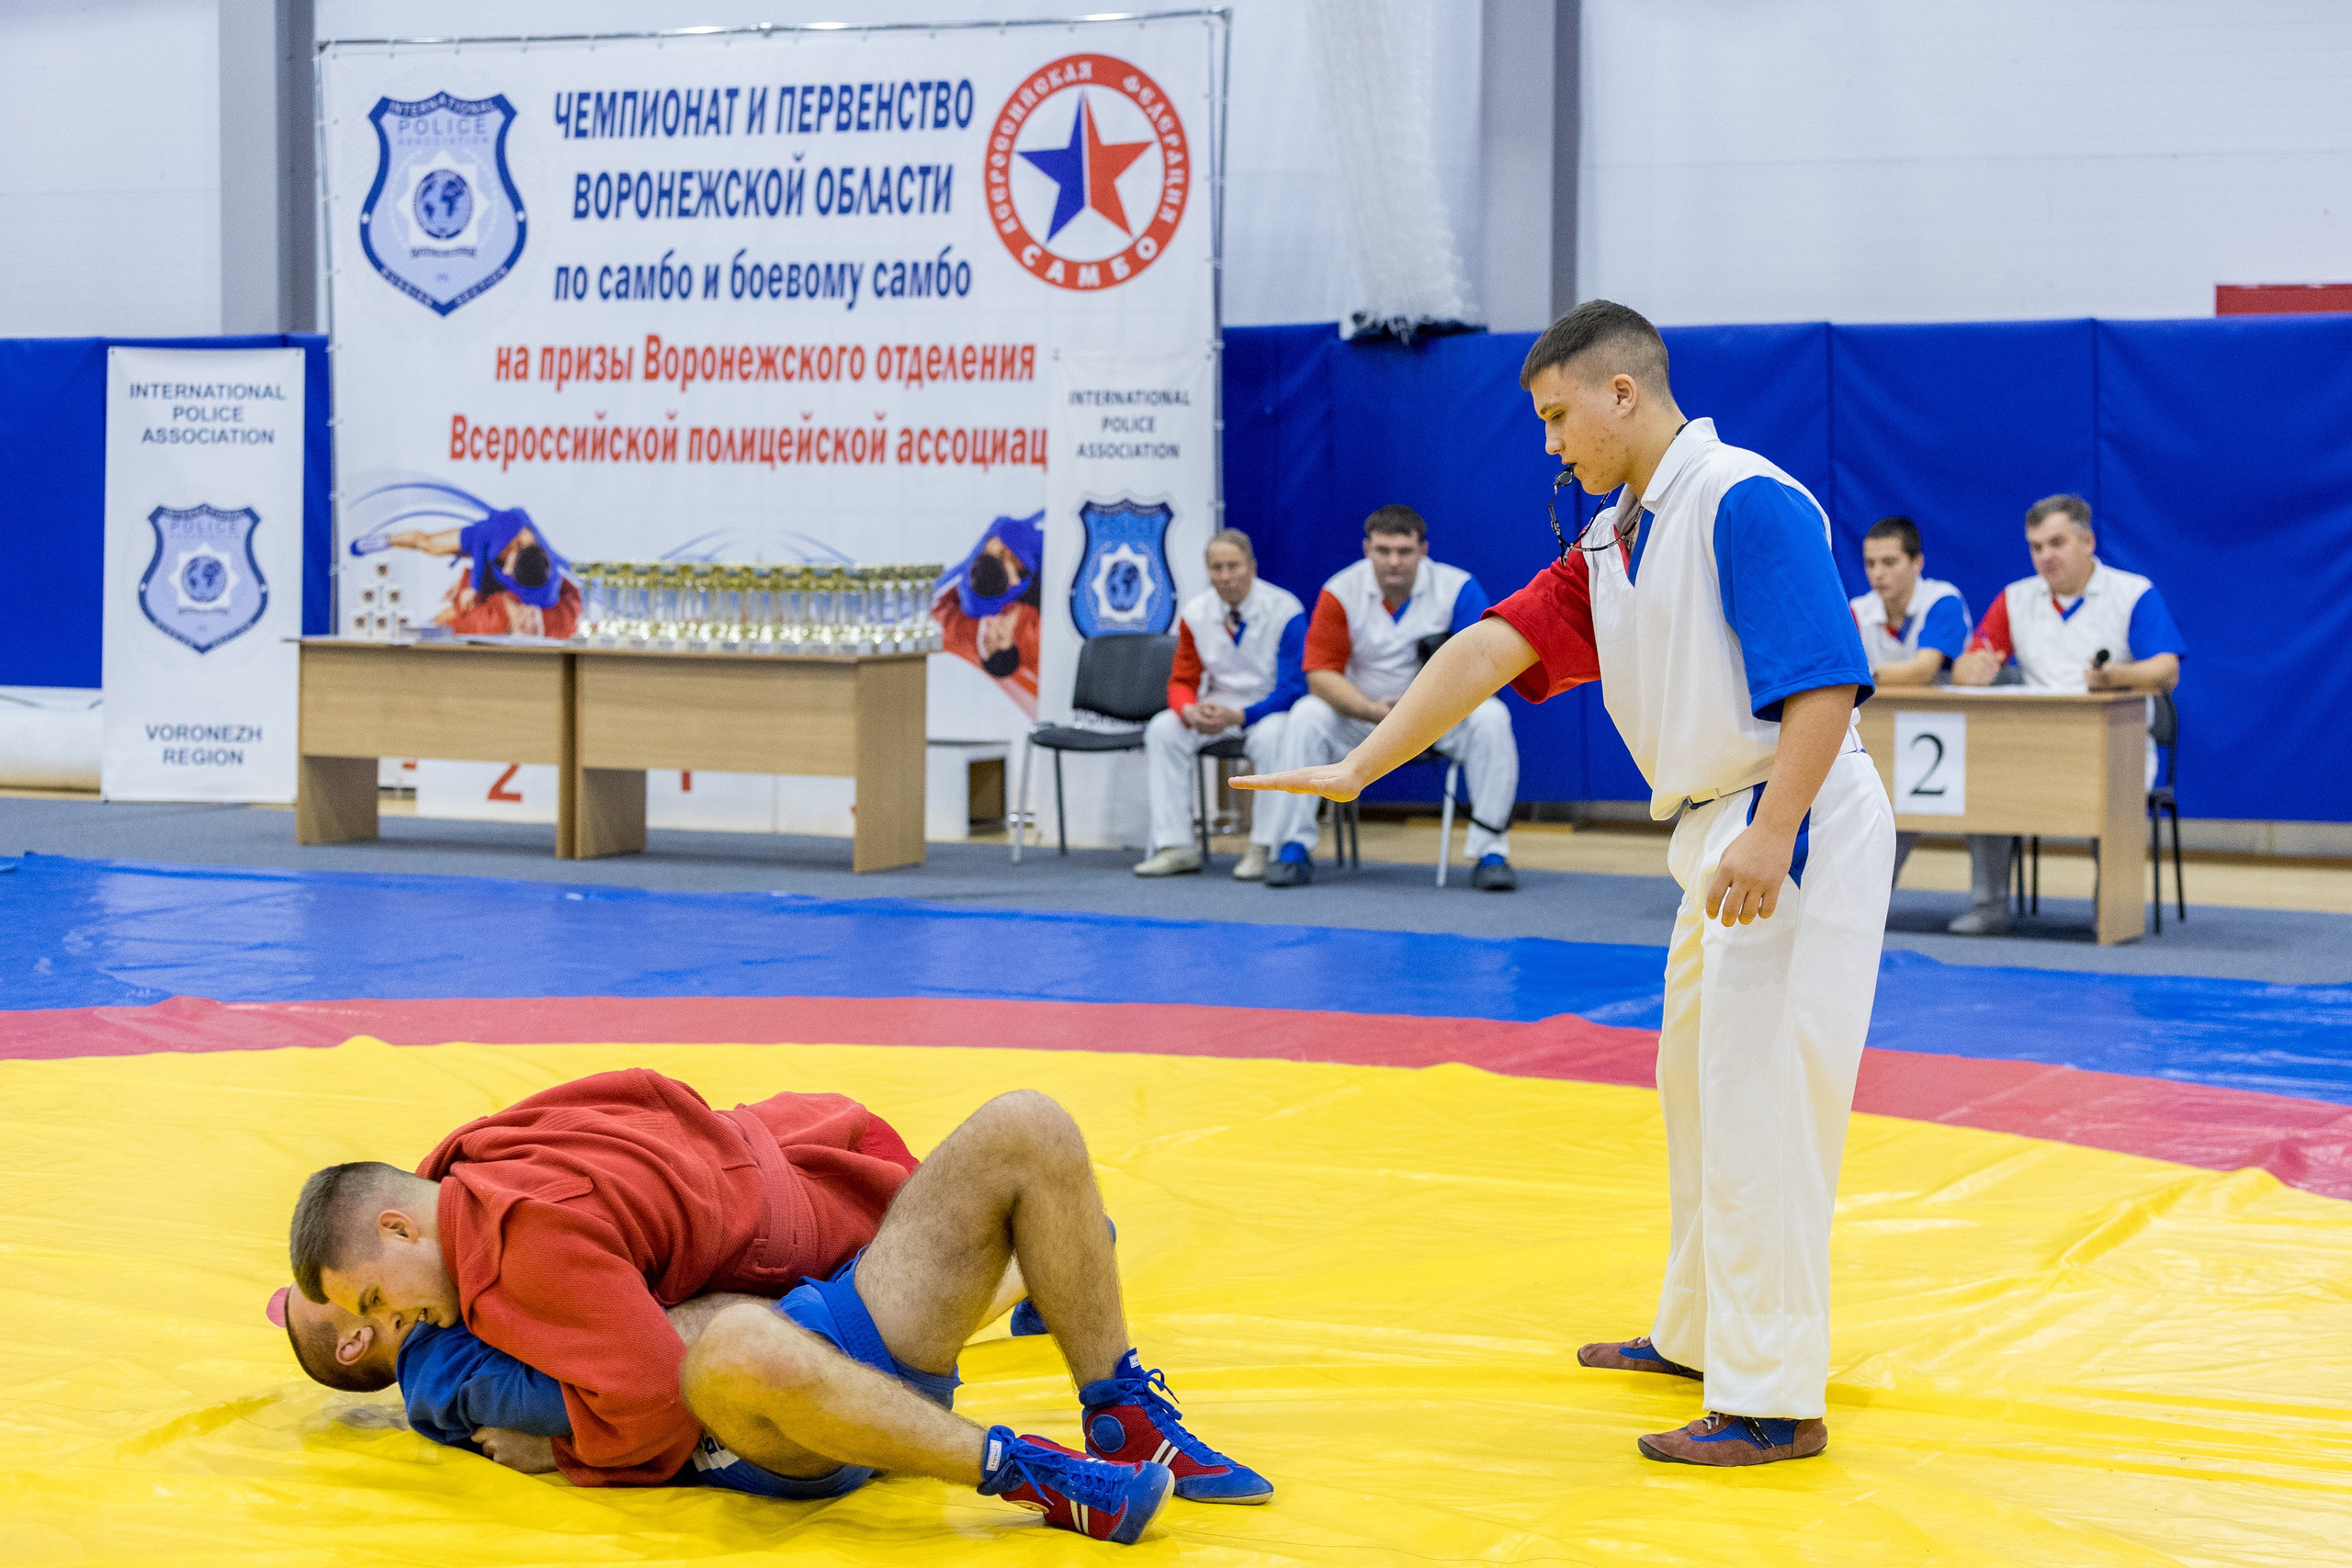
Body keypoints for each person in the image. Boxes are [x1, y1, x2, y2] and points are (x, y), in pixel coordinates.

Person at [1237, 300, 1891, 1467]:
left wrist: (1772, 828)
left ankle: (1775, 1398)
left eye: (1556, 417)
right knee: (1694, 1090)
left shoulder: (1744, 498)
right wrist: (1361, 760)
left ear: (1621, 394)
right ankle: (1700, 1337)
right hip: (1720, 827)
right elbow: (1489, 649)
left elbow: (1826, 684)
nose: (1549, 444)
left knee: (1759, 1111)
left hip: (1785, 820)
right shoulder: (1615, 538)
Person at [287, 1069, 1267, 1544]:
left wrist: (566, 1444)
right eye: (365, 1331)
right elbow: (663, 1396)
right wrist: (570, 1439)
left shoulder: (492, 1214)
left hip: (841, 1317)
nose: (399, 1321)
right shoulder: (449, 1284)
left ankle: (1124, 1412)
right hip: (768, 1421)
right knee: (727, 1347)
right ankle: (1027, 1473)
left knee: (1028, 1124)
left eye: (377, 1299)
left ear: (402, 1222)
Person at [1945, 493, 2187, 935]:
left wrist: (2115, 675)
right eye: (2036, 547)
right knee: (1984, 779)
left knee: (2110, 787)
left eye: (2056, 543)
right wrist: (1970, 669)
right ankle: (1990, 906)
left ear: (2088, 541)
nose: (2045, 556)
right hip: (2033, 742)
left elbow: (2166, 669)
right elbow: (1969, 661)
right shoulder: (2015, 598)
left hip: (2115, 744)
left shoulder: (2132, 593)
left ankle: (2111, 912)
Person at [1255, 505, 1521, 890]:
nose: (1393, 561)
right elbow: (1320, 675)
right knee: (1306, 715)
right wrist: (1369, 709)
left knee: (1493, 717)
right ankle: (1293, 847)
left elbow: (1485, 668)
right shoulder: (1340, 591)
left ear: (1423, 550)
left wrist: (1421, 710)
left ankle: (1490, 851)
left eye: (1404, 551)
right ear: (1367, 549)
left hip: (1436, 717)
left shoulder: (1457, 587)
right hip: (1362, 716)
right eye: (1383, 550)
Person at [1132, 528, 1306, 881]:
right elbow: (1182, 680)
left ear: (1252, 567)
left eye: (1233, 566)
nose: (1225, 577)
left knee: (1276, 738)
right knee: (1163, 729)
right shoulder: (1196, 613)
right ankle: (1175, 846)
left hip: (1268, 708)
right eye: (1216, 568)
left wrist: (1242, 715)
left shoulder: (1285, 610)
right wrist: (1189, 711)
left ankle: (1262, 847)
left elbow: (1294, 687)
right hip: (1217, 705)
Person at [1850, 515, 1970, 883]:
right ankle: (1869, 898)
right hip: (1882, 736)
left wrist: (1868, 677)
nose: (1877, 574)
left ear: (1917, 563)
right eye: (1870, 563)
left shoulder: (1943, 600)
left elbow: (1924, 670)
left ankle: (1990, 903)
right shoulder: (1857, 609)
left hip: (1952, 738)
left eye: (1889, 562)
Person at [390, 509, 581, 638]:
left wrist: (467, 585)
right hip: (482, 543)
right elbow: (482, 539)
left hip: (495, 585)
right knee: (428, 544)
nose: (506, 570)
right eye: (509, 566)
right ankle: (385, 540)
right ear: (518, 549)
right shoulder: (514, 526)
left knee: (457, 615)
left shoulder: (542, 594)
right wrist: (472, 586)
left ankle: (420, 629)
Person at [933, 513, 1046, 718]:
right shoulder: (1037, 635)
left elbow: (1002, 527)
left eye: (985, 639)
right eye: (999, 638)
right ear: (1014, 642)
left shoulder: (974, 606)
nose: (991, 630)